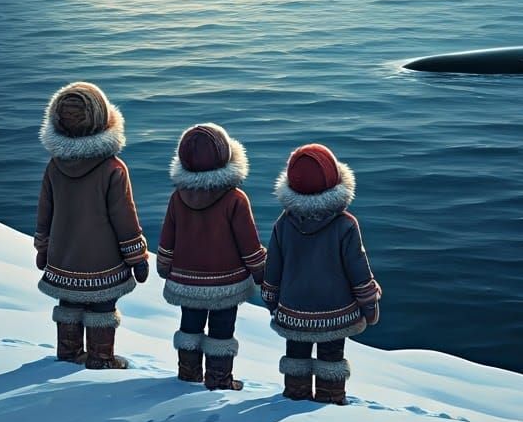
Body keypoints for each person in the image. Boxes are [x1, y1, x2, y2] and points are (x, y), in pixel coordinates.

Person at [34, 82, 148, 369]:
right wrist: (137, 257)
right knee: (102, 307)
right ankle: (101, 357)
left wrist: (42, 247)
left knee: (69, 306)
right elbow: (125, 217)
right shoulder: (113, 169)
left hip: (63, 259)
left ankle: (68, 352)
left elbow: (45, 212)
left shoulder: (54, 166)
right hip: (104, 262)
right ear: (102, 119)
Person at [262, 143, 381, 404]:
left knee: (296, 357)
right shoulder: (346, 225)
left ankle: (294, 395)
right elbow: (358, 269)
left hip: (294, 313)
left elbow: (273, 269)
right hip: (336, 315)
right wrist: (369, 305)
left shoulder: (283, 223)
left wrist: (271, 300)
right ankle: (330, 399)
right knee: (331, 358)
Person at [157, 123, 266, 390]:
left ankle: (188, 373)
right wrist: (261, 272)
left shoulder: (177, 197)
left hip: (186, 279)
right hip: (225, 281)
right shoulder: (235, 199)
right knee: (222, 329)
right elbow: (248, 244)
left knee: (190, 325)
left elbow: (167, 237)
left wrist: (164, 265)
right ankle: (219, 379)